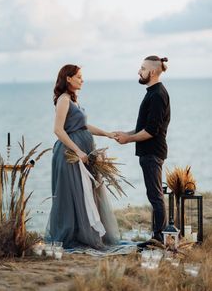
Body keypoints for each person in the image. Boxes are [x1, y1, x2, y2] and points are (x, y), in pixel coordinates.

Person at [45, 64, 119, 249]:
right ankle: (75, 235)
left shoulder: (73, 100)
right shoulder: (63, 99)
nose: (82, 80)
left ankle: (86, 232)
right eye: (78, 77)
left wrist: (107, 134)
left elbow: (84, 127)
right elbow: (58, 130)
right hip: (70, 155)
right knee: (74, 194)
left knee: (86, 193)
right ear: (68, 78)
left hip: (83, 156)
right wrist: (78, 151)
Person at [115, 56, 170, 247]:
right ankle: (158, 237)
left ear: (152, 72)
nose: (139, 71)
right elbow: (144, 127)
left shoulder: (157, 95)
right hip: (149, 153)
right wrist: (126, 134)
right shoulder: (152, 93)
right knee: (154, 195)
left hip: (152, 153)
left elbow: (151, 131)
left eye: (142, 68)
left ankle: (159, 239)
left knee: (155, 197)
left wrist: (128, 139)